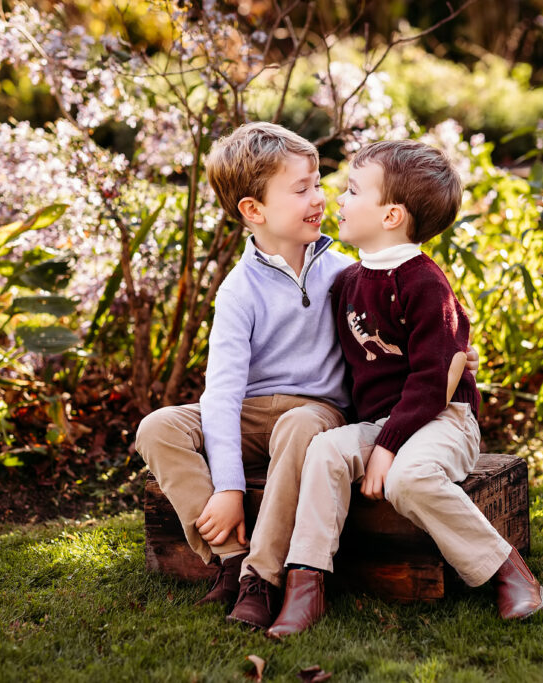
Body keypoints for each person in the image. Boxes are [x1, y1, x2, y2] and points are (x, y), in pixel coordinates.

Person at [136, 122, 482, 629]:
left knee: (297, 426)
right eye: (302, 189)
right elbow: (224, 394)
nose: (320, 197)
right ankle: (232, 560)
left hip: (316, 412)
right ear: (254, 211)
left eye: (319, 183)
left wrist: (457, 355)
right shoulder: (238, 291)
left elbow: (416, 332)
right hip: (256, 413)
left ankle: (263, 576)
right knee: (157, 428)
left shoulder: (346, 274)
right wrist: (229, 487)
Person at [266, 139, 543, 639]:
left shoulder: (425, 284)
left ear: (392, 215)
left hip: (442, 420)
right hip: (383, 425)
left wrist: (386, 449)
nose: (339, 200)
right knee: (326, 449)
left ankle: (508, 570)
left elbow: (430, 383)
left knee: (407, 480)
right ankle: (305, 585)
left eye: (353, 191)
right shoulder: (349, 281)